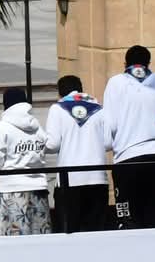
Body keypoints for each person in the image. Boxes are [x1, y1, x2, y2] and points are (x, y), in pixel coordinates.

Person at [101, 45, 155, 229]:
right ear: (149, 63)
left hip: (128, 157)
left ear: (125, 64)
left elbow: (110, 122)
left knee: (128, 221)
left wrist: (106, 145)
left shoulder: (116, 82)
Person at [44, 74, 112, 233]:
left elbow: (53, 144)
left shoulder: (57, 109)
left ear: (60, 93)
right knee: (95, 232)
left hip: (70, 180)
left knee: (70, 234)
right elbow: (108, 143)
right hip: (97, 178)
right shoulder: (99, 108)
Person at [0, 86, 53, 236]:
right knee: (40, 238)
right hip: (39, 189)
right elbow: (49, 145)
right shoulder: (36, 126)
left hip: (11, 190)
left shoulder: (2, 127)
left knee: (13, 241)